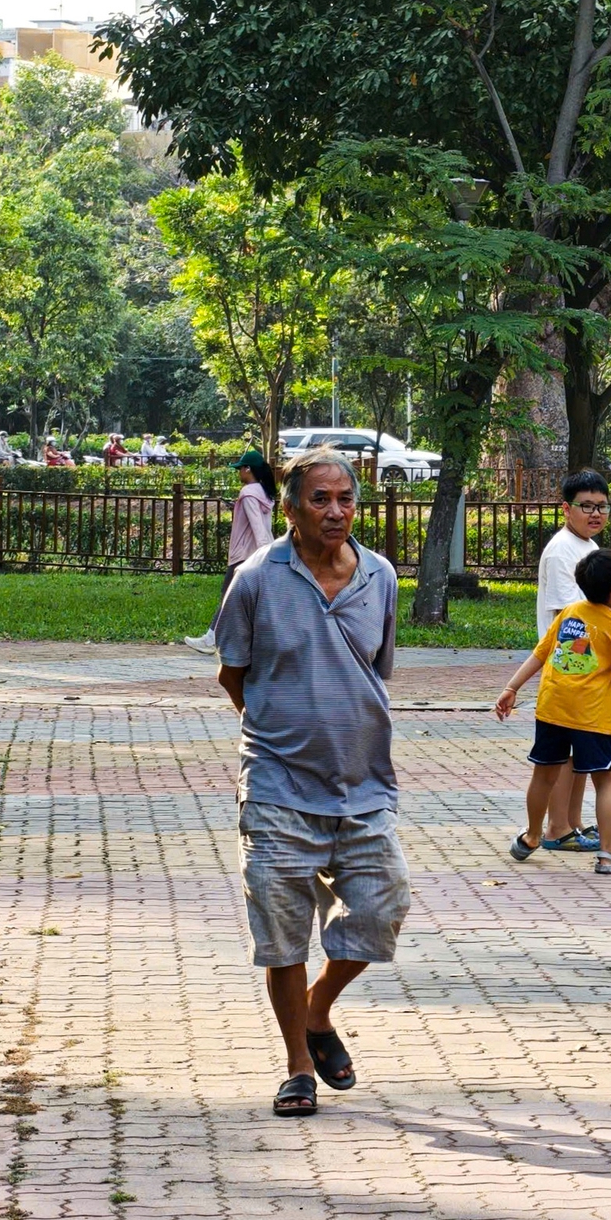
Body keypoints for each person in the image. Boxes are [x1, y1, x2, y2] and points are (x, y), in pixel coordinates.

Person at [211, 448, 409, 1118]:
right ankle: (298, 1066)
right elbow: (232, 672)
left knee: (383, 910)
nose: (335, 512)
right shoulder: (258, 579)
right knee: (284, 930)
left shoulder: (379, 576)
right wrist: (277, 733)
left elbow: (376, 670)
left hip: (363, 785)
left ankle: (318, 1011)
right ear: (288, 507)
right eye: (319, 499)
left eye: (345, 499)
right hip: (276, 787)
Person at [495, 548, 611, 875]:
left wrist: (512, 687)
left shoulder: (569, 613)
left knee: (544, 774)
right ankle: (607, 856)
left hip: (552, 708)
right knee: (605, 780)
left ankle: (532, 836)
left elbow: (540, 654)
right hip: (591, 717)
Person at [533, 470, 611, 851]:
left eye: (601, 506)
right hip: (570, 668)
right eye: (586, 506)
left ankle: (574, 823)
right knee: (563, 755)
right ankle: (555, 829)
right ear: (566, 508)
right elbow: (571, 618)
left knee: (580, 752)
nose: (594, 514)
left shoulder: (589, 547)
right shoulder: (563, 549)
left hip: (587, 671)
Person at [187, 449, 278, 653]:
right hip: (258, 554)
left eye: (240, 469)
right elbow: (263, 526)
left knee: (228, 596)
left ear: (248, 469)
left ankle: (211, 639)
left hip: (244, 555)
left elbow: (257, 527)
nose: (238, 473)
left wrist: (264, 553)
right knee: (256, 599)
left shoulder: (247, 493)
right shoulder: (264, 493)